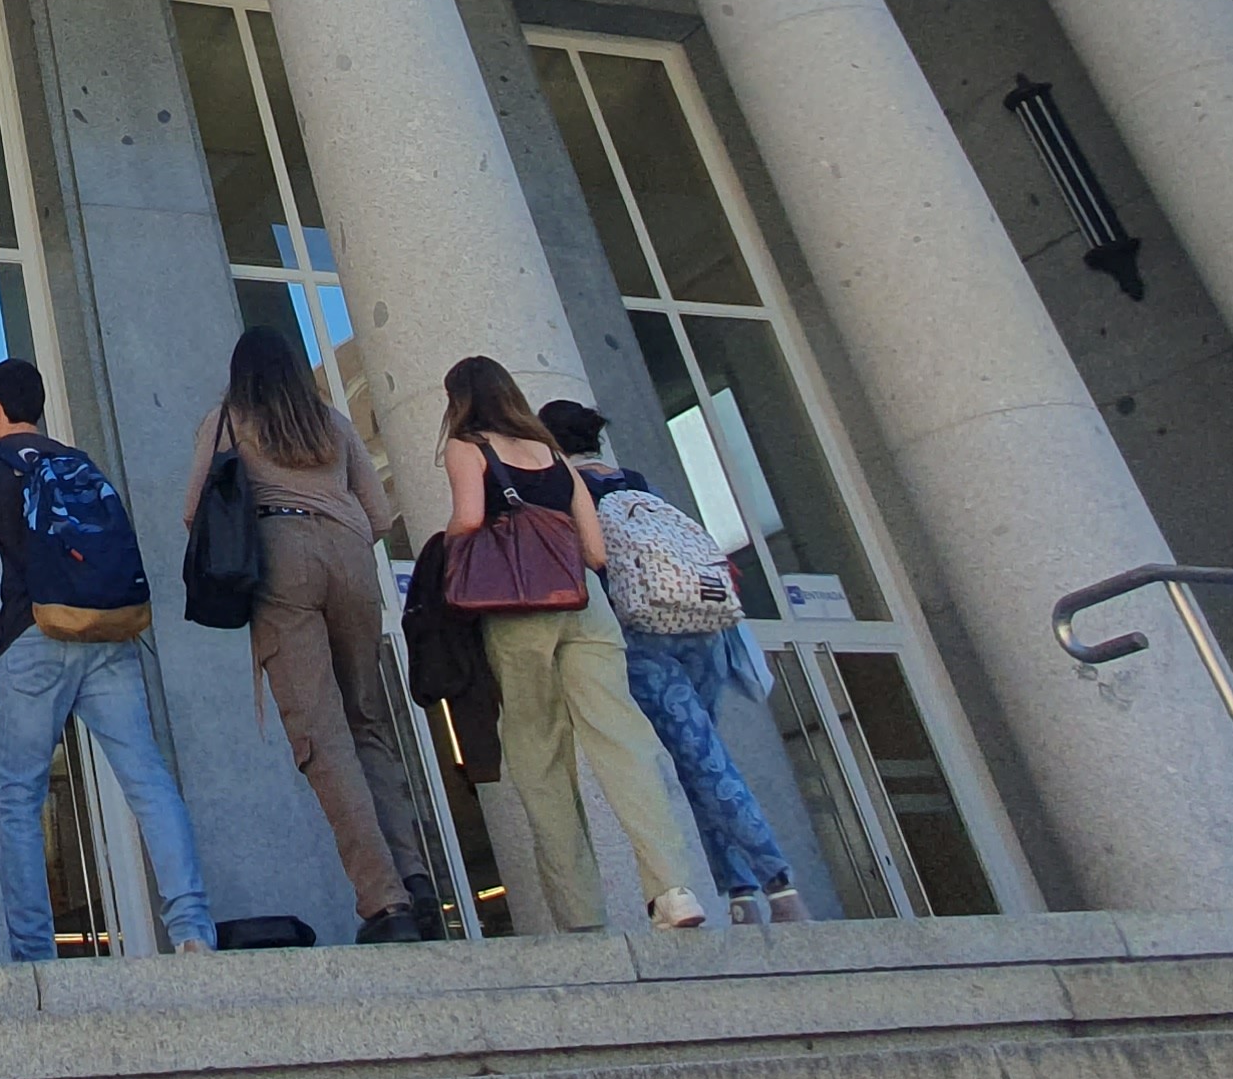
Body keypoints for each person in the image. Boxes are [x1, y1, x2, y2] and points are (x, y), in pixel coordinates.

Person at [178, 326, 438, 942]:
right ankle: (418, 878)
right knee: (369, 723)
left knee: (322, 736)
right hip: (351, 557)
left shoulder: (228, 420)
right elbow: (379, 515)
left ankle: (385, 902)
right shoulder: (331, 423)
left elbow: (194, 510)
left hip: (279, 555)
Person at [0, 356, 214, 961]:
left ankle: (35, 956)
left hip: (34, 637)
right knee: (146, 778)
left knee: (20, 798)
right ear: (38, 407)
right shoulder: (79, 461)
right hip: (107, 637)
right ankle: (193, 930)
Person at [440, 358, 705, 934]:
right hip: (586, 608)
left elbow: (468, 518)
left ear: (457, 399)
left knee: (540, 758)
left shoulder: (466, 447)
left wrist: (454, 549)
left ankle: (581, 915)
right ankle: (673, 889)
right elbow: (595, 551)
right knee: (623, 743)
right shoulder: (552, 452)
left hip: (518, 612)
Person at [545, 399, 804, 925]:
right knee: (701, 757)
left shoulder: (571, 490)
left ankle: (779, 884)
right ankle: (739, 891)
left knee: (704, 761)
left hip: (642, 636)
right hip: (699, 628)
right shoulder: (636, 482)